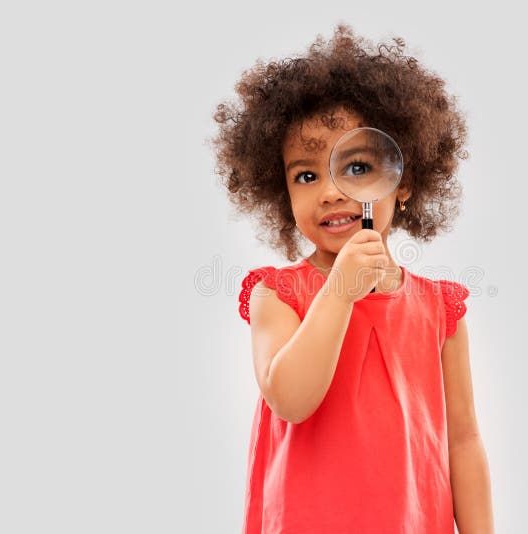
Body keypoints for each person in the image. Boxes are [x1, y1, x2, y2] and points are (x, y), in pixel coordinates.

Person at [212, 24, 494, 534]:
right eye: (305, 174)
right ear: (281, 193)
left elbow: (463, 441)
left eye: (356, 166)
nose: (329, 191)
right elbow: (291, 399)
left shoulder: (440, 311)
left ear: (402, 180)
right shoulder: (276, 294)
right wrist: (339, 293)